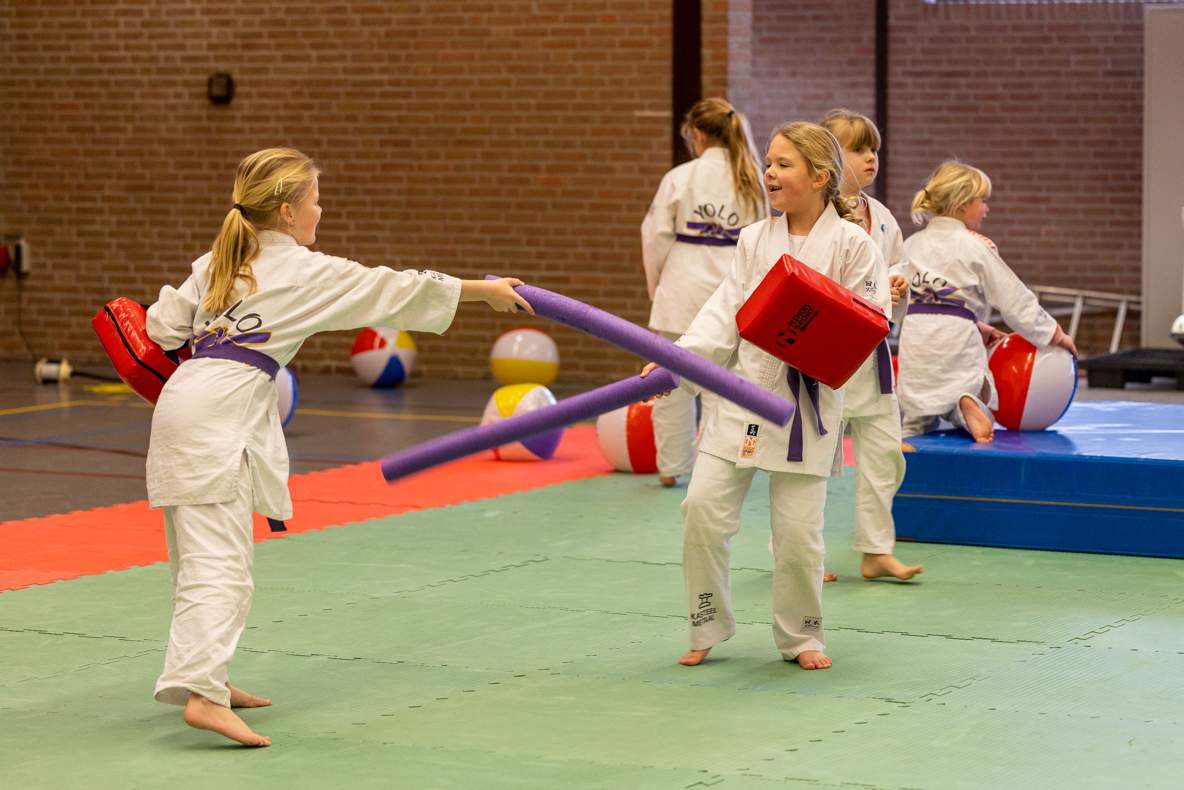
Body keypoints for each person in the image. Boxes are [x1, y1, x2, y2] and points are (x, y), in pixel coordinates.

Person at [144, 148, 531, 747]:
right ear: (288, 209)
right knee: (221, 565)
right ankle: (202, 694)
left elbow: (160, 328)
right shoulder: (302, 270)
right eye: (316, 201)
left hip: (182, 404)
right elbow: (393, 289)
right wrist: (485, 290)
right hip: (219, 416)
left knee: (198, 555)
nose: (320, 212)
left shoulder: (218, 260)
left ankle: (209, 678)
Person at [644, 122, 889, 670]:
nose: (769, 173)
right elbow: (723, 314)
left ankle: (802, 636)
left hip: (807, 406)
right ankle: (707, 620)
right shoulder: (754, 240)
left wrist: (803, 324)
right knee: (701, 510)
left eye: (783, 165)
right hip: (745, 395)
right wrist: (677, 360)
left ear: (820, 177)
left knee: (799, 536)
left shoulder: (854, 246)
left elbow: (872, 323)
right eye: (770, 162)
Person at [896, 161, 1077, 442]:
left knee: (917, 404)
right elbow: (1014, 298)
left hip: (916, 336)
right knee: (964, 387)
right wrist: (1053, 333)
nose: (986, 209)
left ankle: (910, 433)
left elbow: (908, 300)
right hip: (956, 337)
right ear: (962, 204)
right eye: (983, 201)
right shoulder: (975, 245)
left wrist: (979, 326)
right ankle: (966, 405)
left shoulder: (911, 244)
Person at [641, 98, 767, 488]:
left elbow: (656, 237)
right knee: (725, 382)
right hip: (733, 287)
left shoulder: (680, 177)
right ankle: (722, 462)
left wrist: (658, 287)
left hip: (681, 284)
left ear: (696, 135)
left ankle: (671, 466)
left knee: (670, 382)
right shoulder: (753, 179)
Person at [818, 109, 921, 583]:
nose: (870, 158)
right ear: (829, 155)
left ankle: (876, 550)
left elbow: (898, 263)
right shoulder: (812, 214)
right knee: (812, 462)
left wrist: (896, 286)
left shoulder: (880, 216)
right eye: (858, 148)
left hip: (872, 354)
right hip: (823, 355)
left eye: (873, 149)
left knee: (884, 454)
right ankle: (801, 554)